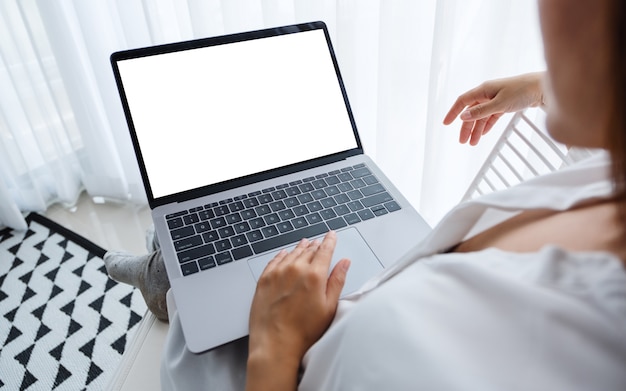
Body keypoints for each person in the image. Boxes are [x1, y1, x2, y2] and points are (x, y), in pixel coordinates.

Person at [105, 0, 626, 389]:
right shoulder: (604, 171)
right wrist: (544, 86)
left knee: (192, 269)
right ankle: (164, 260)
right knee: (202, 226)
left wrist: (274, 346)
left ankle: (158, 277)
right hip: (337, 301)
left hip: (273, 360)